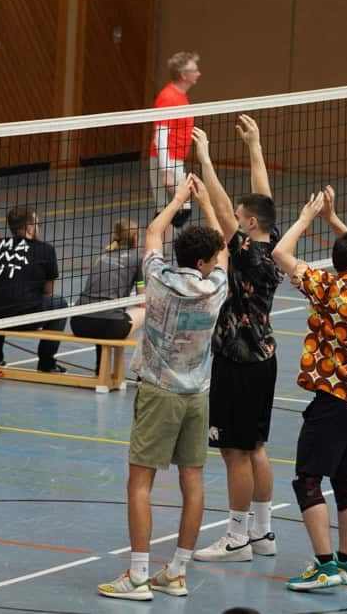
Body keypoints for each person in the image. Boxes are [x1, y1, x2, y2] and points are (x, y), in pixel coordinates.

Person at [97, 174, 228, 601]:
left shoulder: (157, 278)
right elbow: (225, 248)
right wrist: (205, 202)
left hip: (158, 393)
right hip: (197, 396)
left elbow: (154, 231)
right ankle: (176, 573)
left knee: (140, 484)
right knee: (194, 482)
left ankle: (138, 576)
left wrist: (178, 199)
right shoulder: (216, 287)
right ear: (205, 261)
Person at [272, 186, 347, 592]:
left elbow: (280, 253)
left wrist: (307, 218)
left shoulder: (328, 288)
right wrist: (333, 219)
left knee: (307, 481)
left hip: (332, 402)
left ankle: (324, 566)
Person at [191, 115, 284, 563]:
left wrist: (206, 158)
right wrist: (254, 146)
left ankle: (236, 538)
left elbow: (225, 209)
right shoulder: (273, 244)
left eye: (241, 219)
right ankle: (263, 533)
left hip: (239, 359)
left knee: (234, 451)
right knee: (256, 446)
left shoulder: (246, 253)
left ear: (248, 223)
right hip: (265, 355)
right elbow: (262, 199)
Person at [0, 206, 67, 372]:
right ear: (29, 228)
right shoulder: (46, 250)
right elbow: (48, 291)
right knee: (60, 304)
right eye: (37, 224)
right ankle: (46, 363)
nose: (38, 227)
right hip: (24, 318)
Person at [70, 218, 146, 371]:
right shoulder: (138, 259)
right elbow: (141, 301)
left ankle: (100, 367)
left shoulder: (102, 257)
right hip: (110, 327)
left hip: (78, 323)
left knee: (104, 309)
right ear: (135, 240)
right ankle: (142, 371)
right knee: (146, 311)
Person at [150, 51, 202, 229]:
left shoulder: (180, 96)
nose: (198, 73)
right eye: (194, 70)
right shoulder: (168, 97)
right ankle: (156, 244)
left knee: (176, 211)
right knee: (170, 211)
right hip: (165, 159)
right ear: (184, 75)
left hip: (176, 159)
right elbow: (161, 135)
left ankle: (162, 244)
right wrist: (166, 170)